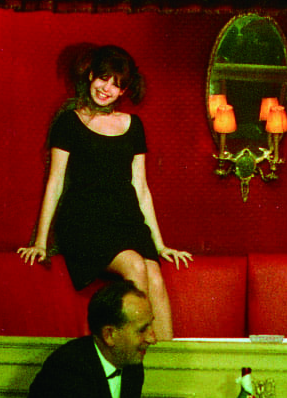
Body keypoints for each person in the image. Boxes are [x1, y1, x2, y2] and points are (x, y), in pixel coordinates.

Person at [17, 45, 192, 340]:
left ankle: (165, 361)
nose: (106, 88)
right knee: (135, 265)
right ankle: (135, 351)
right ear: (90, 76)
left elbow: (141, 188)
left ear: (123, 91)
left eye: (116, 84)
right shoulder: (69, 122)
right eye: (103, 78)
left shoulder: (133, 125)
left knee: (155, 277)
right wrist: (40, 242)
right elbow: (54, 182)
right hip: (85, 223)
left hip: (126, 222)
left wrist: (160, 245)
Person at [12, 280, 237, 398]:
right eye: (142, 329)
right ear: (110, 334)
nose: (153, 338)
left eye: (151, 326)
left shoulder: (131, 366)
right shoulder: (68, 367)